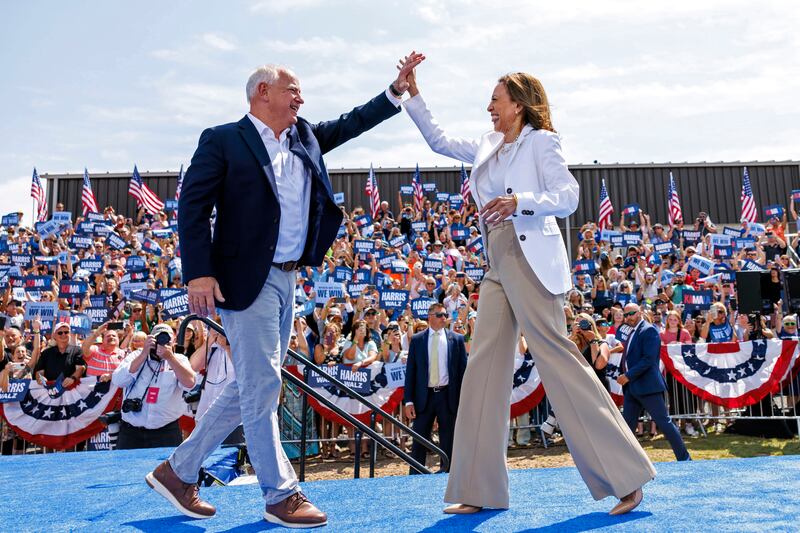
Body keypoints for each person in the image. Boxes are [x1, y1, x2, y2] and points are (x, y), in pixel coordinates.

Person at [148, 55, 425, 528]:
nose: (300, 98)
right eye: (292, 90)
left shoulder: (305, 136)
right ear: (262, 93)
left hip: (288, 278)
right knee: (262, 386)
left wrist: (395, 92)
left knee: (248, 387)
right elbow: (191, 207)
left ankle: (178, 472)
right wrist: (198, 273)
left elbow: (352, 123)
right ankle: (280, 493)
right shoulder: (223, 140)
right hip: (243, 278)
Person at [399, 60, 655, 515]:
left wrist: (521, 201)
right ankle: (479, 491)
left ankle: (627, 478)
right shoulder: (488, 144)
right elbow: (438, 140)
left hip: (531, 257)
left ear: (518, 105)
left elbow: (568, 196)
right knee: (482, 369)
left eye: (495, 100)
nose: (488, 108)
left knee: (558, 361)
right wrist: (413, 94)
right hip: (496, 262)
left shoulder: (542, 142)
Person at [617, 304, 690, 462]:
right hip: (632, 387)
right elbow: (628, 358)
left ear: (640, 312)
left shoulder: (649, 330)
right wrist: (622, 374)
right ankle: (622, 461)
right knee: (627, 427)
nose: (628, 317)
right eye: (626, 314)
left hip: (647, 387)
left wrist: (628, 375)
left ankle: (685, 459)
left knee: (664, 423)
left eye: (631, 313)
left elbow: (649, 360)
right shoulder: (632, 331)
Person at [403, 303, 467, 474]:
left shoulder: (457, 339)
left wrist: (464, 399)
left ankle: (448, 474)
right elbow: (411, 372)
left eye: (445, 314)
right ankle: (416, 476)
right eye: (439, 315)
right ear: (430, 316)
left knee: (449, 440)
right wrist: (408, 400)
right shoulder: (417, 340)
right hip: (424, 397)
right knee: (419, 440)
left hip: (448, 396)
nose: (443, 317)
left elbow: (463, 372)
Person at [112, 324, 196, 449]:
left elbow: (190, 384)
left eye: (166, 339)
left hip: (166, 432)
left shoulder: (179, 359)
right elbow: (118, 380)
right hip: (131, 432)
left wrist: (170, 358)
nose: (162, 343)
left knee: (167, 468)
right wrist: (143, 354)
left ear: (173, 342)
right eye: (158, 338)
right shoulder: (136, 355)